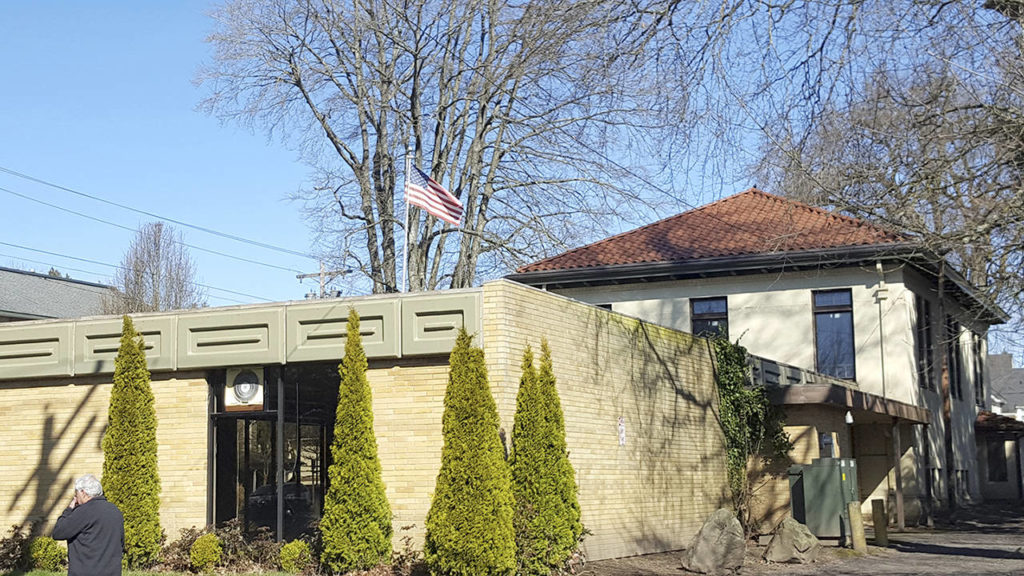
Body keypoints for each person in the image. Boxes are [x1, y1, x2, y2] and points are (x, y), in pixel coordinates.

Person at [52, 474, 125, 576]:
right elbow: (121, 543)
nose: (75, 497)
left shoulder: (83, 512)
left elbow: (58, 532)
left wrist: (69, 509)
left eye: (76, 493)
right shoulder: (115, 511)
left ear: (83, 493)